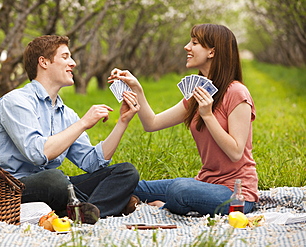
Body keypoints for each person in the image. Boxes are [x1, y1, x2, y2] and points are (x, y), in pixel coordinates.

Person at [0, 35, 140, 224]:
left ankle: (85, 213)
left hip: (57, 187)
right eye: (66, 57)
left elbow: (91, 162)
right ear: (43, 62)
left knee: (125, 172)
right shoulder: (15, 102)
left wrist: (122, 122)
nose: (73, 63)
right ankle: (105, 206)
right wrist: (83, 123)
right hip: (13, 187)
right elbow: (38, 153)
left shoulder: (66, 114)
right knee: (56, 180)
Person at [108, 24, 258, 216]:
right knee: (130, 185)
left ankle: (162, 205)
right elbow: (151, 124)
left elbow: (236, 152)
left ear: (212, 51)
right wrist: (137, 89)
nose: (186, 47)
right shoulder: (196, 94)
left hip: (236, 193)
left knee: (180, 190)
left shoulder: (237, 93)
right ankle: (156, 201)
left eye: (194, 43)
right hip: (204, 183)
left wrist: (208, 115)